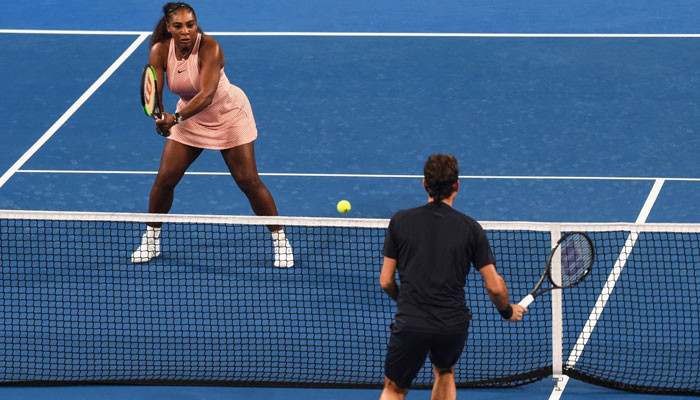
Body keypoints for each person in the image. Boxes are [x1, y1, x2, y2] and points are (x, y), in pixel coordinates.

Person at [130, 2, 293, 268]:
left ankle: (280, 240)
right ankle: (151, 239)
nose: (186, 31)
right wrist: (160, 117)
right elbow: (155, 91)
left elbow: (206, 95)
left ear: (196, 25)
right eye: (179, 26)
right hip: (190, 119)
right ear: (169, 28)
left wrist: (175, 119)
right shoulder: (160, 50)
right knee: (165, 179)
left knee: (248, 180)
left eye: (190, 25)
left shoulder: (210, 48)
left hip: (228, 115)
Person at [378, 154, 526, 400]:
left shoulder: (400, 221)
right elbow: (495, 287)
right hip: (451, 326)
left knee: (394, 389)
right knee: (445, 371)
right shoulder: (471, 228)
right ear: (457, 185)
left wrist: (408, 302)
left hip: (411, 322)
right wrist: (507, 311)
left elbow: (386, 281)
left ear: (424, 183)